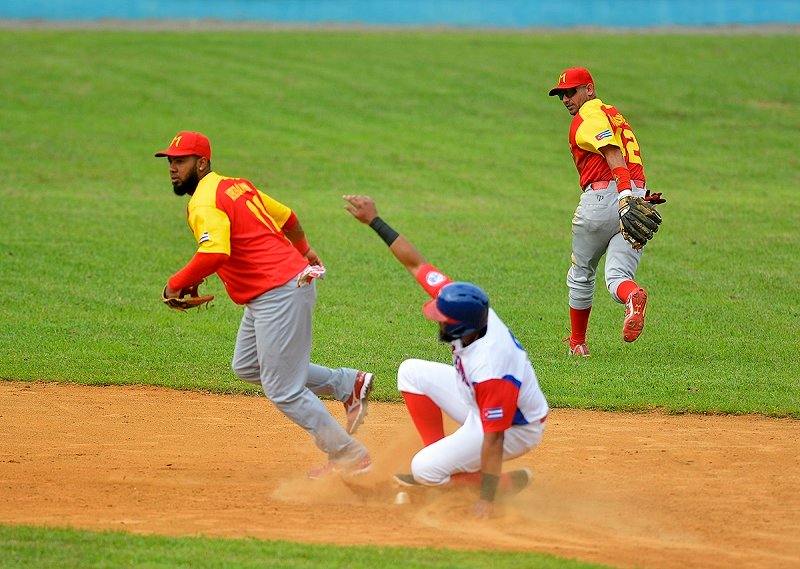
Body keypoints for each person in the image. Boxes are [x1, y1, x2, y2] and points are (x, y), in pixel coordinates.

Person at [155, 130, 373, 479]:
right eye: (170, 161)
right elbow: (287, 216)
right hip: (276, 288)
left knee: (283, 390)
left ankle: (348, 454)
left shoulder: (203, 202)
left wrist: (174, 284)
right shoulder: (235, 185)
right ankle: (347, 384)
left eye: (180, 161)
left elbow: (215, 251)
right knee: (247, 365)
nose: (172, 168)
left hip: (278, 292)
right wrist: (303, 249)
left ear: (202, 163)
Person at [343, 195, 549, 519]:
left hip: (513, 428)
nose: (437, 318)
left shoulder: (492, 367)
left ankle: (490, 484)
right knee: (411, 372)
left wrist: (487, 501)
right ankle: (440, 466)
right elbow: (416, 264)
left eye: (442, 318)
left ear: (462, 326)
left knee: (422, 469)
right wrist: (374, 221)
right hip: (476, 400)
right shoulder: (465, 305)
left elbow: (494, 440)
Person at [549, 67, 665, 357]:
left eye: (571, 91)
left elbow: (611, 151)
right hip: (637, 195)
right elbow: (628, 159)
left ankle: (578, 344)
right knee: (618, 276)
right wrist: (636, 195)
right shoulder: (615, 115)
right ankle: (631, 297)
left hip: (604, 200)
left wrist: (623, 195)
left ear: (589, 89)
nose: (566, 99)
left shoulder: (588, 117)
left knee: (581, 273)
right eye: (562, 94)